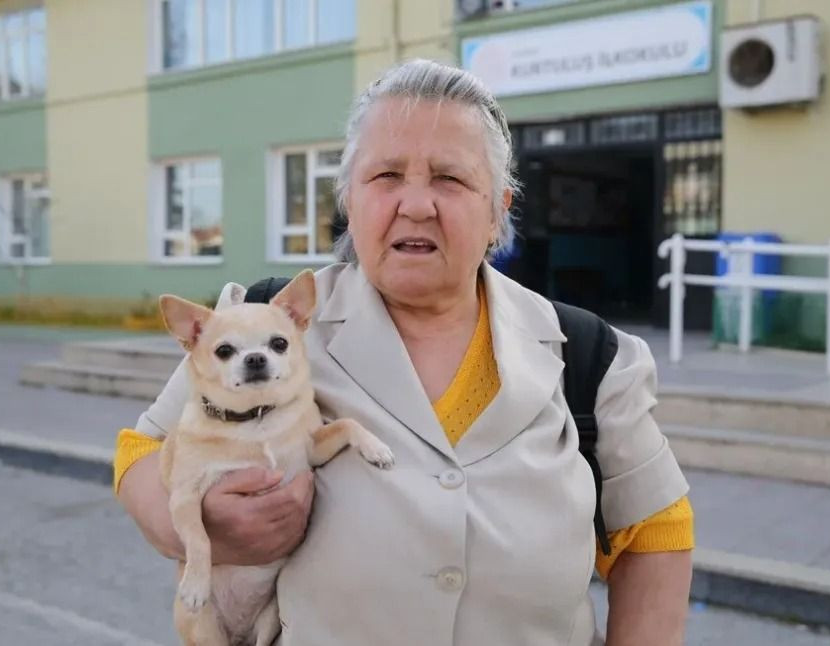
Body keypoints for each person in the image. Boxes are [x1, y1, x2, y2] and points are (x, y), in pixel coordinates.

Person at [116, 59, 693, 646]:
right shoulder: (268, 324)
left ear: (498, 209)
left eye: (450, 179)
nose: (416, 205)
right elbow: (142, 451)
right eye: (386, 176)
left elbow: (656, 534)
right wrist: (203, 530)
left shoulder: (591, 357)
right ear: (350, 198)